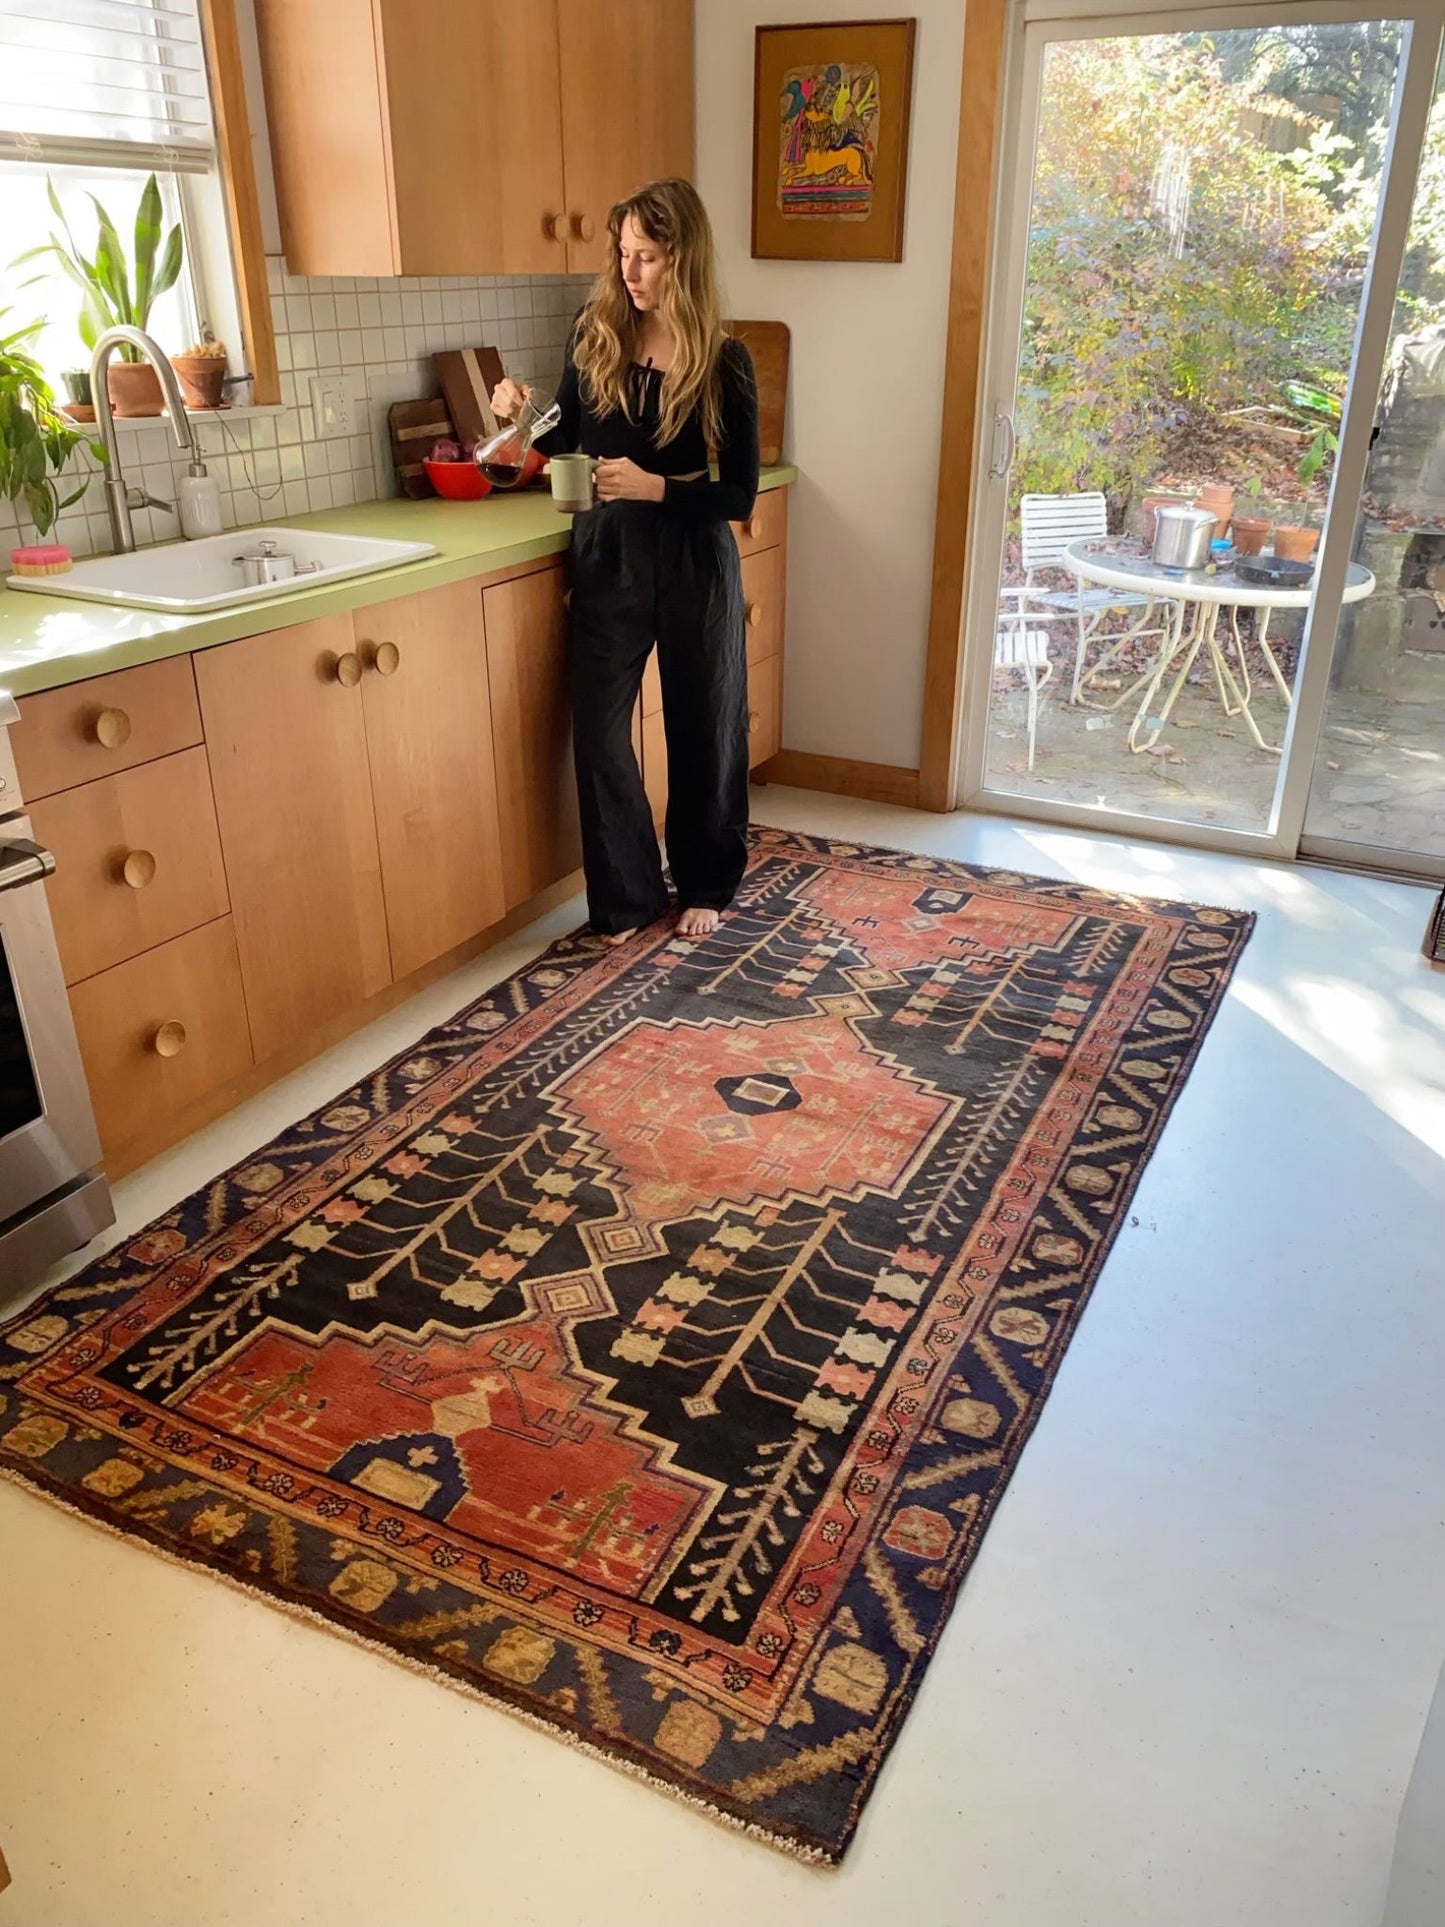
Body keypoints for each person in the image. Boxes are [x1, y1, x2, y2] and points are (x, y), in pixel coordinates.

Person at [491, 178, 759, 945]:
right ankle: (629, 895)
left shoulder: (724, 360)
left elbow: (736, 492)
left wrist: (656, 486)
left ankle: (706, 881)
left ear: (684, 260)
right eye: (623, 255)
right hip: (608, 551)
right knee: (601, 729)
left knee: (702, 721)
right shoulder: (595, 334)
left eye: (646, 257)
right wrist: (518, 413)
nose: (630, 272)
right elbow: (559, 436)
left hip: (691, 557)